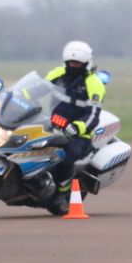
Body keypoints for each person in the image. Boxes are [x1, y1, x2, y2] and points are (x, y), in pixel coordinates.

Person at [44, 40, 106, 213]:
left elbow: (93, 114)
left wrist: (78, 127)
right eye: (71, 63)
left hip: (78, 134)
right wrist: (18, 98)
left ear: (86, 64)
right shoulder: (58, 74)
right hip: (50, 123)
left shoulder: (94, 84)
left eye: (77, 63)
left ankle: (62, 191)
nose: (73, 65)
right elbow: (37, 89)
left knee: (66, 155)